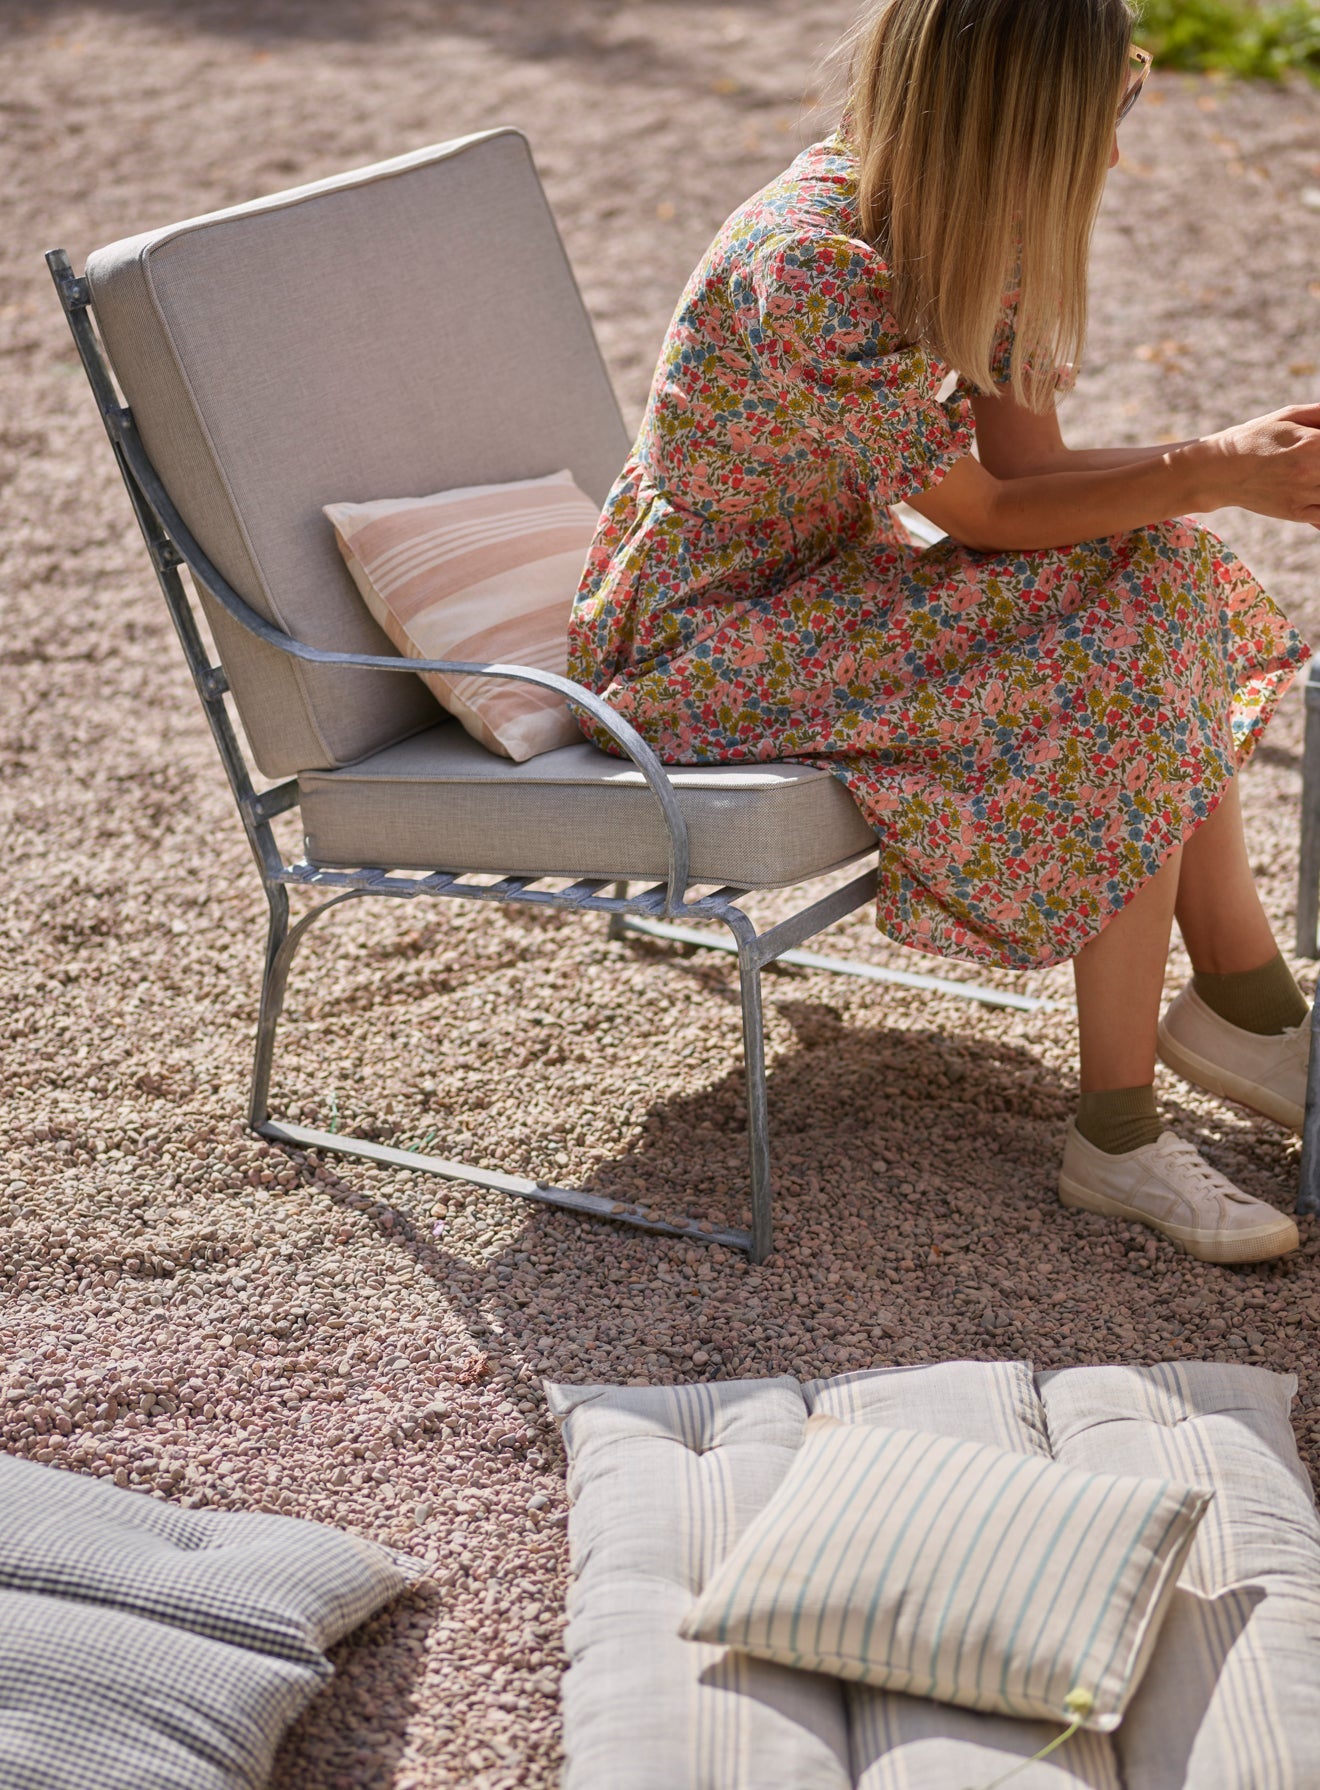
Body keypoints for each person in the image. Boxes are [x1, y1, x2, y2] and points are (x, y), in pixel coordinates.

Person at [567, 0, 1320, 1264]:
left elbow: (1040, 480)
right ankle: (1127, 1127)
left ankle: (1240, 1010)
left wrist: (1232, 465)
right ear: (1010, 121)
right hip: (702, 640)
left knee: (1157, 576)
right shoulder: (812, 260)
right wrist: (1213, 465)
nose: (1118, 152)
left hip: (832, 594)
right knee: (1132, 621)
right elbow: (985, 511)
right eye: (1108, 114)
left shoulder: (985, 233)